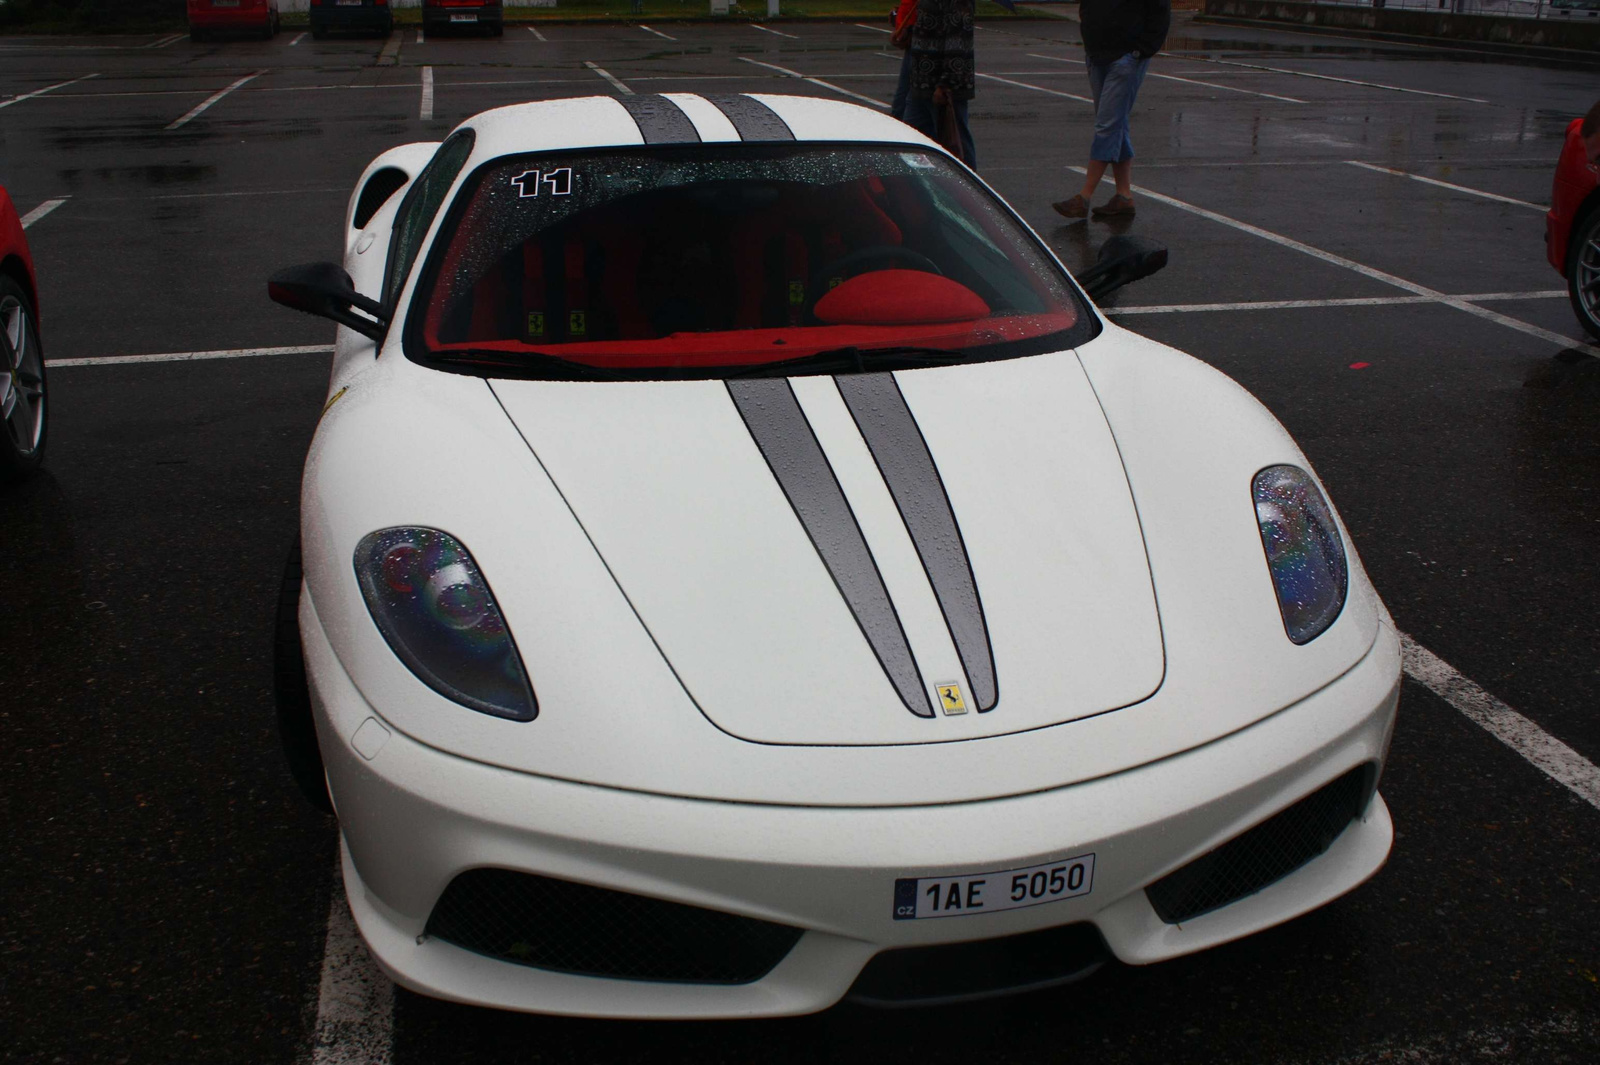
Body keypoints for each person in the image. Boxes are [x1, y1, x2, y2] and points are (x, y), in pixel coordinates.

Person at [1053, 0, 1171, 220]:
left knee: (1107, 125)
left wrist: (1140, 51)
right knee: (1116, 124)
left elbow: (1160, 12)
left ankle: (1084, 196)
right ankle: (1123, 196)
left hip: (1126, 59)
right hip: (1098, 56)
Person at [900, 0, 977, 169]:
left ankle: (969, 187)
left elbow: (957, 39)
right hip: (921, 82)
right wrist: (909, 31)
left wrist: (945, 83)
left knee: (955, 144)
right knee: (908, 139)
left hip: (942, 86)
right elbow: (932, 25)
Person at [890, 0, 919, 120]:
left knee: (905, 97)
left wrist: (906, 30)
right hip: (913, 41)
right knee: (903, 96)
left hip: (919, 42)